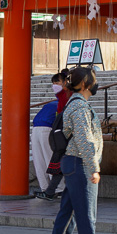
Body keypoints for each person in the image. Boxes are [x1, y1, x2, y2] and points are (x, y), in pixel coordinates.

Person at [42, 66, 117, 234]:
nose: (95, 84)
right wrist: (94, 167)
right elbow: (85, 140)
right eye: (93, 81)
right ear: (85, 84)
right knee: (86, 211)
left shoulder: (73, 104)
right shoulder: (80, 108)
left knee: (70, 209)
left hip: (72, 162)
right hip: (80, 163)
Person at [32, 73, 65, 201]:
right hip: (39, 127)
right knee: (41, 159)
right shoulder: (60, 100)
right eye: (54, 83)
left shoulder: (67, 99)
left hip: (46, 128)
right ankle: (47, 188)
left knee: (47, 158)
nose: (55, 85)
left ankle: (55, 189)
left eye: (58, 83)